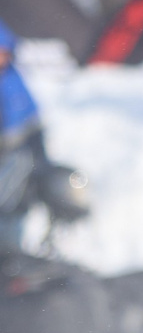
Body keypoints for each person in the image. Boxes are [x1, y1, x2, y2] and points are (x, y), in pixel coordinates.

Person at [0, 17, 82, 258]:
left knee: (18, 202)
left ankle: (15, 255)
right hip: (11, 150)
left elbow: (29, 121)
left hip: (24, 145)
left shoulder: (12, 82)